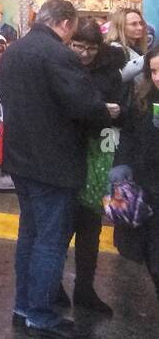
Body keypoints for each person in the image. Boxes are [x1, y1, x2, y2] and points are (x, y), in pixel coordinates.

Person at [0, 0, 119, 339]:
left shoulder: (13, 51)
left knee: (29, 235)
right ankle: (40, 313)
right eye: (72, 30)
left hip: (20, 158)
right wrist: (104, 111)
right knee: (50, 241)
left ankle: (23, 307)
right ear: (65, 23)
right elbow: (82, 105)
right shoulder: (58, 55)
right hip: (53, 161)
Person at [63, 17, 123, 315]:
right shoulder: (59, 65)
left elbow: (122, 108)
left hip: (98, 155)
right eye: (79, 46)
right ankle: (53, 289)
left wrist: (113, 111)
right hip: (63, 155)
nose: (85, 54)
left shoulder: (111, 70)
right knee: (60, 229)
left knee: (90, 228)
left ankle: (84, 290)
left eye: (90, 48)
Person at [114, 46, 159, 302]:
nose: (157, 77)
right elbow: (129, 137)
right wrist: (120, 170)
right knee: (151, 258)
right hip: (146, 188)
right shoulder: (144, 99)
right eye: (153, 71)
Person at [106, 6, 149, 93]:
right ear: (120, 27)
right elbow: (118, 77)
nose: (140, 27)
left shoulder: (137, 49)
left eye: (141, 23)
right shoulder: (114, 49)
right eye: (134, 24)